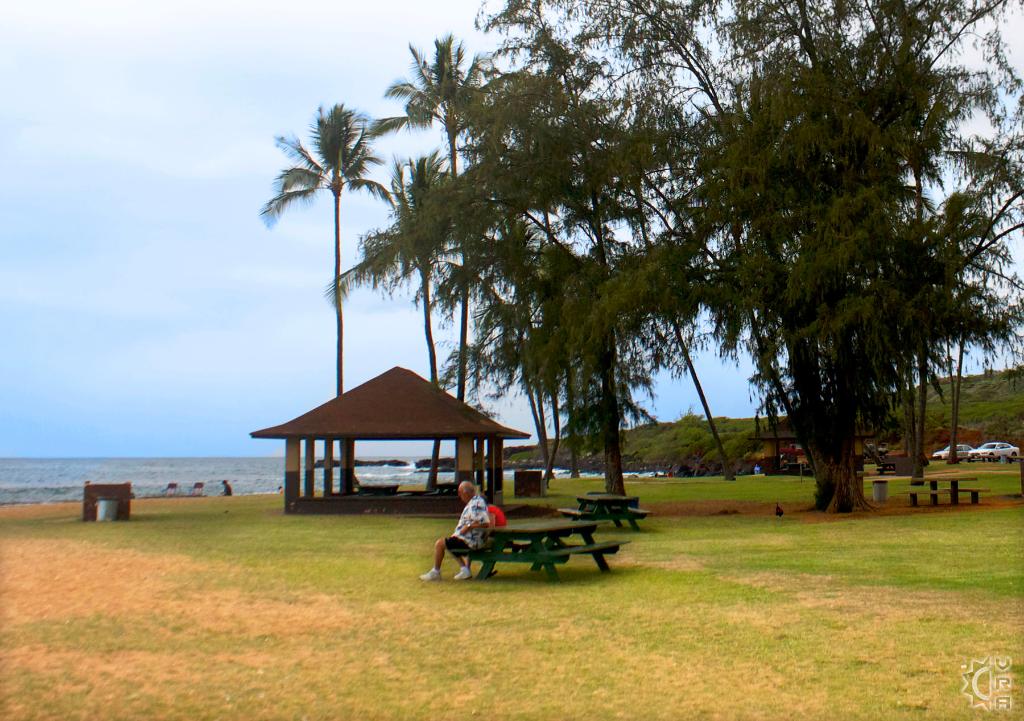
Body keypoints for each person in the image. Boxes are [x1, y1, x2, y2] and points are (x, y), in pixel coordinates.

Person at [420, 481, 492, 581]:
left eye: (460, 492)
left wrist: (468, 526)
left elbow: (485, 523)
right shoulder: (474, 502)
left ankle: (436, 572)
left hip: (471, 541)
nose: (459, 495)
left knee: (440, 544)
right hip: (466, 538)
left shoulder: (476, 504)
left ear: (466, 493)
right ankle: (464, 570)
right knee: (450, 541)